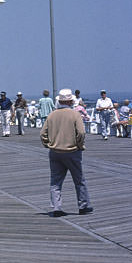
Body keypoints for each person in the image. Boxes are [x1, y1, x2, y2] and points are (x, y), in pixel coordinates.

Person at [40, 88, 92, 216]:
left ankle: (57, 208)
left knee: (55, 181)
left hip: (55, 151)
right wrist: (79, 145)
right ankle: (83, 206)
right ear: (70, 101)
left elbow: (42, 134)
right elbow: (81, 133)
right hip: (72, 151)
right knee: (79, 180)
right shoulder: (75, 114)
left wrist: (48, 144)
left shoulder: (52, 114)